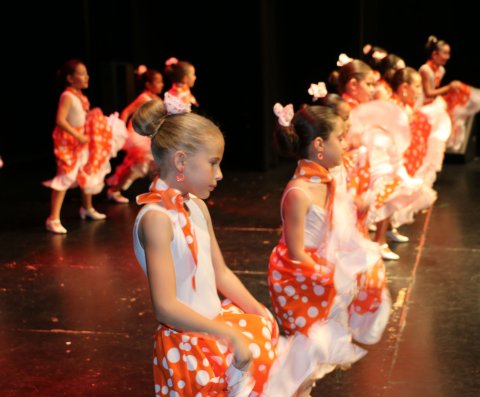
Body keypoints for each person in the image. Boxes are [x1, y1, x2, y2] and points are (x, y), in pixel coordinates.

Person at [132, 94, 279, 396]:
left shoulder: (197, 207)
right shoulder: (156, 219)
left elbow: (220, 272)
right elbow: (166, 306)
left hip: (215, 329)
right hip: (186, 347)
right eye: (213, 164)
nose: (220, 175)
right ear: (181, 160)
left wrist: (257, 309)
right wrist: (229, 335)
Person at [269, 103, 366, 396]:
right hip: (298, 277)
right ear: (320, 144)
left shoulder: (326, 180)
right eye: (340, 138)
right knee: (307, 349)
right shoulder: (299, 191)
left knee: (315, 350)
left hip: (321, 269)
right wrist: (328, 274)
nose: (345, 143)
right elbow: (295, 252)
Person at [43, 59, 112, 234]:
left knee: (85, 172)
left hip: (81, 142)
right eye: (82, 73)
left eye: (86, 73)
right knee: (65, 177)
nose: (86, 76)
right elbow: (60, 120)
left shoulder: (79, 96)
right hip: (69, 143)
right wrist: (78, 135)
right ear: (70, 78)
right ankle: (53, 218)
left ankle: (87, 207)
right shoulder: (67, 96)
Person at [106, 66, 164, 203]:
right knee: (138, 167)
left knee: (155, 165)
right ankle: (114, 190)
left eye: (161, 81)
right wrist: (122, 131)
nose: (161, 85)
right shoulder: (143, 98)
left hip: (150, 135)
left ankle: (158, 191)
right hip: (140, 136)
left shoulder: (155, 97)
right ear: (148, 84)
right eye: (158, 82)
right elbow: (126, 111)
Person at [419, 35, 480, 151]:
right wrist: (449, 87)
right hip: (423, 103)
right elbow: (428, 93)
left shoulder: (441, 70)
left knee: (457, 91)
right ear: (435, 54)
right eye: (444, 53)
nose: (447, 57)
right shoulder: (425, 69)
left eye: (448, 53)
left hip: (433, 101)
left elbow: (436, 91)